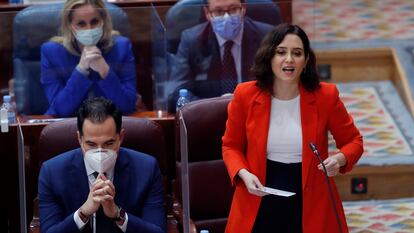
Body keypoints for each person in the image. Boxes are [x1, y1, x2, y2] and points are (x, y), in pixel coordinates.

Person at [222, 23, 363, 233]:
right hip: (258, 192)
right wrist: (243, 173)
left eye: (297, 53)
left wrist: (339, 159)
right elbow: (230, 146)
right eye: (281, 52)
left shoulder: (325, 96)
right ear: (269, 57)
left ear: (305, 61)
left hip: (311, 196)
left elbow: (354, 141)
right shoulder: (245, 95)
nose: (289, 59)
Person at [38, 97, 166, 233]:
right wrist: (83, 213)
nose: (100, 152)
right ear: (79, 139)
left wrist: (118, 214)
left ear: (121, 137)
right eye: (91, 144)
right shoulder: (52, 172)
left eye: (108, 143)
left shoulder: (147, 169)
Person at [168, 0, 274, 112]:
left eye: (233, 9)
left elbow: (278, 87)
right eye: (218, 11)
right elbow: (176, 93)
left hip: (253, 113)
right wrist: (215, 106)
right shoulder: (192, 40)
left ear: (243, 8)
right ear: (207, 13)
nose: (226, 17)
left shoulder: (267, 37)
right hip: (210, 118)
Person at [41, 0, 137, 117]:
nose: (89, 29)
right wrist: (81, 70)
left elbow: (128, 106)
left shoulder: (122, 47)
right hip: (69, 126)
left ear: (103, 21)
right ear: (70, 26)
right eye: (81, 24)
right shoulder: (51, 52)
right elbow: (60, 110)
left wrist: (105, 71)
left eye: (94, 21)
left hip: (110, 126)